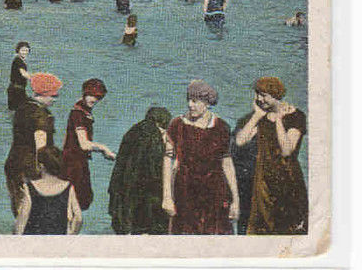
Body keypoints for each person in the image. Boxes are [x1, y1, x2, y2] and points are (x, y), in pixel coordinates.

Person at [161, 80, 239, 234]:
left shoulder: (221, 127)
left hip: (215, 192)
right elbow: (167, 160)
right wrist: (167, 197)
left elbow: (227, 164)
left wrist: (236, 200)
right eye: (188, 100)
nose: (190, 105)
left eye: (195, 101)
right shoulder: (176, 124)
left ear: (208, 103)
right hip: (184, 191)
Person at [233, 77, 308, 234]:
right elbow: (240, 141)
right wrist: (257, 115)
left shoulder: (296, 116)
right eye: (258, 94)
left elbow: (287, 150)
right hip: (263, 182)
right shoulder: (260, 117)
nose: (260, 99)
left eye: (264, 95)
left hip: (287, 180)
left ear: (276, 95)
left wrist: (279, 120)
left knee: (288, 227)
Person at [108, 107, 173, 234]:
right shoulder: (153, 136)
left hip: (123, 194)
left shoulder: (132, 131)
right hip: (145, 201)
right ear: (161, 124)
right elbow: (155, 171)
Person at [4, 72, 61, 217]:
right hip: (30, 167)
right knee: (33, 213)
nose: (56, 99)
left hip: (13, 163)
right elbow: (41, 149)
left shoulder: (22, 107)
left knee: (19, 209)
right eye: (54, 95)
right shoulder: (41, 116)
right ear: (44, 94)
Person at [61, 78, 116, 211]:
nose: (94, 99)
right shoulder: (78, 114)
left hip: (78, 160)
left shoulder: (82, 109)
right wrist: (104, 149)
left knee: (82, 199)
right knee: (77, 201)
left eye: (97, 97)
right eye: (91, 95)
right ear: (85, 93)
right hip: (73, 162)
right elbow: (84, 144)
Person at [14, 145, 82, 235]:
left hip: (33, 240)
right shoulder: (68, 187)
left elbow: (23, 217)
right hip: (58, 239)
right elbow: (78, 218)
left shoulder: (30, 187)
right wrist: (71, 235)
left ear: (41, 166)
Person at [6, 41, 32, 111]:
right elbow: (23, 73)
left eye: (26, 50)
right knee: (21, 110)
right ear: (18, 50)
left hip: (18, 89)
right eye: (22, 50)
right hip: (16, 91)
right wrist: (35, 80)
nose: (25, 52)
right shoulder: (18, 61)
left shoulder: (20, 61)